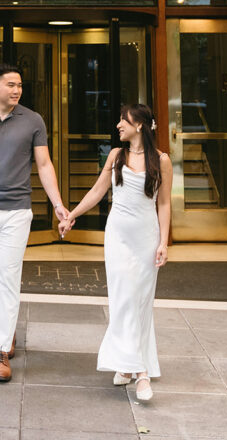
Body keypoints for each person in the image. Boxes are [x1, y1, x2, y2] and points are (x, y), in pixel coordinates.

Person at [0, 63, 69, 383]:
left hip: (17, 212)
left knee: (8, 276)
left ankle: (1, 351)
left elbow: (44, 164)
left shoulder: (33, 120)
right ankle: (6, 330)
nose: (17, 89)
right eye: (10, 84)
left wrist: (58, 204)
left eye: (19, 84)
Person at [59, 103, 172, 402]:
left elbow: (164, 203)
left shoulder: (162, 160)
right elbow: (98, 192)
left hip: (146, 237)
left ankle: (128, 365)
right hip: (118, 236)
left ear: (140, 126)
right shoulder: (115, 156)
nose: (118, 124)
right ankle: (141, 373)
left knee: (141, 302)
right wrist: (72, 215)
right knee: (123, 299)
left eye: (124, 120)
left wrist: (164, 242)